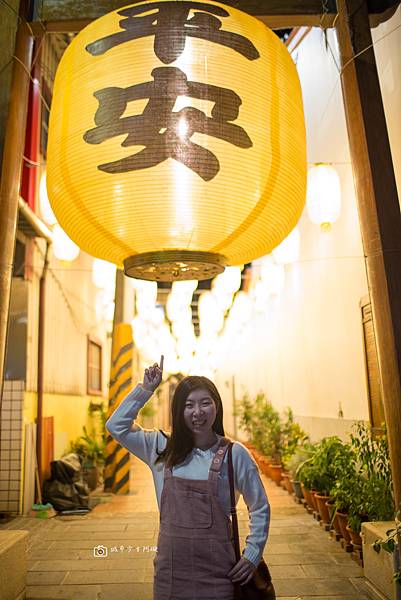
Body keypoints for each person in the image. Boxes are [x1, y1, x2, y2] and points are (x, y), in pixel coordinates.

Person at [106, 355, 270, 600]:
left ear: (217, 406)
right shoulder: (160, 447)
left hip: (220, 573)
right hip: (171, 572)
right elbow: (116, 426)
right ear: (178, 410)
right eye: (188, 405)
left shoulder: (235, 454)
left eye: (205, 403)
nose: (197, 412)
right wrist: (145, 389)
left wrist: (252, 555)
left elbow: (260, 507)